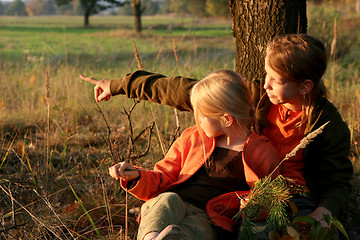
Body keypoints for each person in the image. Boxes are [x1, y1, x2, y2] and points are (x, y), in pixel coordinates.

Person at [81, 34, 353, 231]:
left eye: (276, 79)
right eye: (266, 74)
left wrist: (324, 211)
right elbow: (183, 90)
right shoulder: (257, 96)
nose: (266, 83)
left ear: (305, 87)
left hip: (292, 197)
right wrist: (120, 84)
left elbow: (337, 181)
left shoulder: (328, 126)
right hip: (236, 195)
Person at [107, 70, 280, 240]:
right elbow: (163, 176)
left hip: (212, 219)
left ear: (226, 119)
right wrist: (137, 176)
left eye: (203, 115)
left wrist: (253, 206)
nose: (198, 121)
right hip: (176, 205)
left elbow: (270, 197)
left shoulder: (261, 151)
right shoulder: (193, 138)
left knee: (197, 229)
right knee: (167, 200)